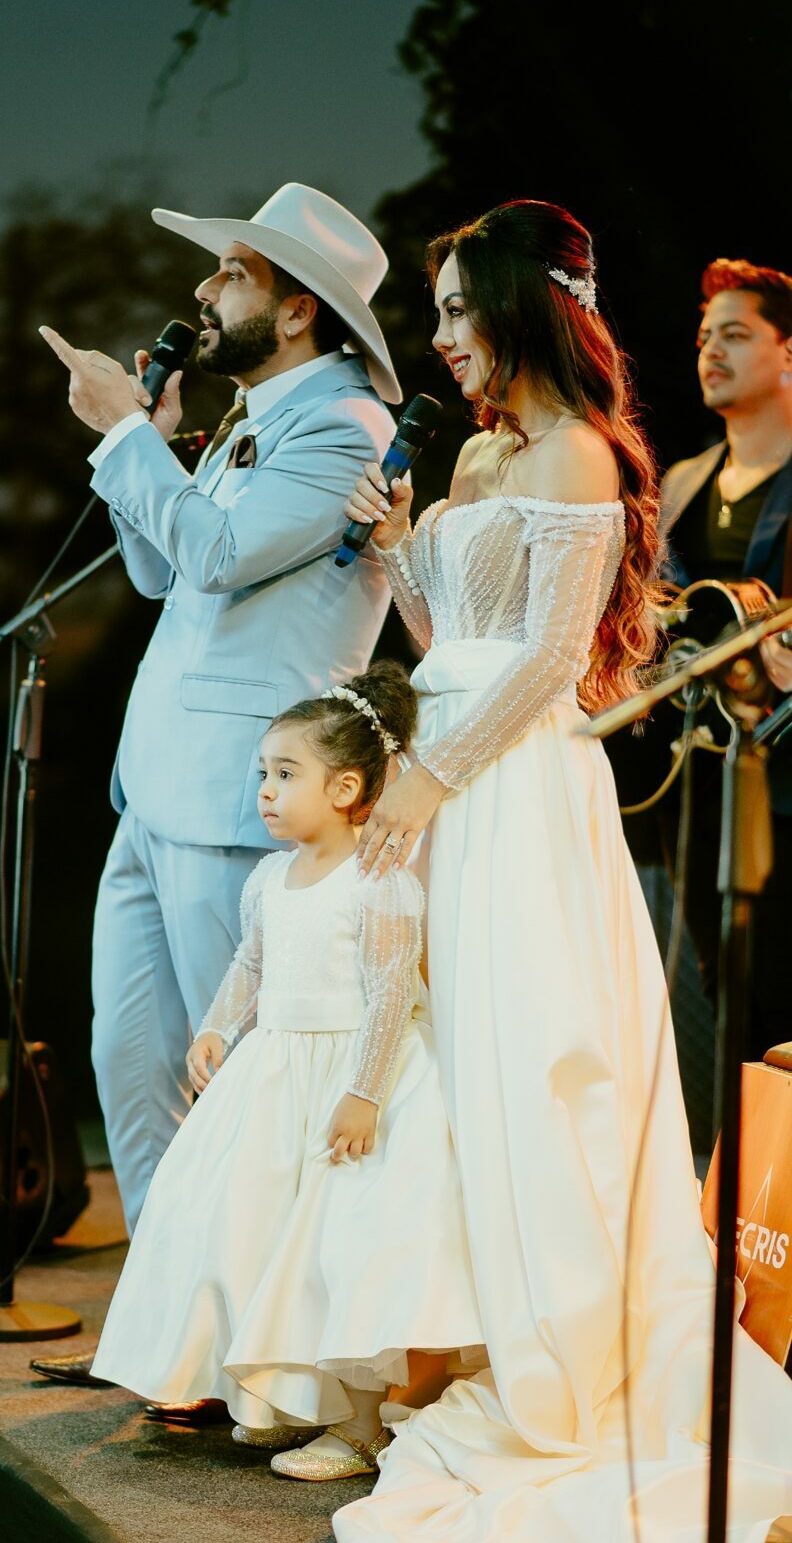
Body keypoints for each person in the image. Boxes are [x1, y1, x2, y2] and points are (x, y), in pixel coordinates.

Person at [331, 203, 792, 1541]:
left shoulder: (583, 452)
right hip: (447, 760)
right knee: (443, 1059)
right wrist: (399, 543)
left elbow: (545, 659)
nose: (440, 336)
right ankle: (454, 1337)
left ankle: (555, 1352)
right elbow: (450, 641)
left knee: (529, 1056)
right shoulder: (480, 451)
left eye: (456, 309)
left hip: (518, 786)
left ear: (521, 306)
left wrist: (433, 774)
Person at [37, 184, 399, 1241]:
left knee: (231, 1072)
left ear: (297, 310)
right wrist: (148, 444)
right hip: (154, 789)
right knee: (126, 1057)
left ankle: (248, 1302)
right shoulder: (251, 419)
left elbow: (220, 553)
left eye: (232, 272)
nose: (203, 290)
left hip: (245, 794)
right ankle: (167, 1299)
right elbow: (161, 571)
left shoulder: (344, 428)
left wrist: (124, 437)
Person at [88, 661, 482, 1479]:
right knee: (257, 1234)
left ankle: (363, 1426)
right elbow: (252, 964)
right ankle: (283, 1401)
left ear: (345, 788)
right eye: (263, 773)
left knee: (342, 1248)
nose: (265, 791)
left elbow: (389, 997)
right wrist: (217, 1027)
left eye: (285, 774)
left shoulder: (379, 884)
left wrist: (364, 1093)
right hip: (276, 1075)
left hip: (350, 1081)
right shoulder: (271, 878)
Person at [637, 259, 792, 1060]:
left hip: (787, 771)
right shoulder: (683, 482)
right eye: (704, 338)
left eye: (734, 334)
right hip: (698, 773)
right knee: (726, 985)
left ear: (788, 351)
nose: (711, 351)